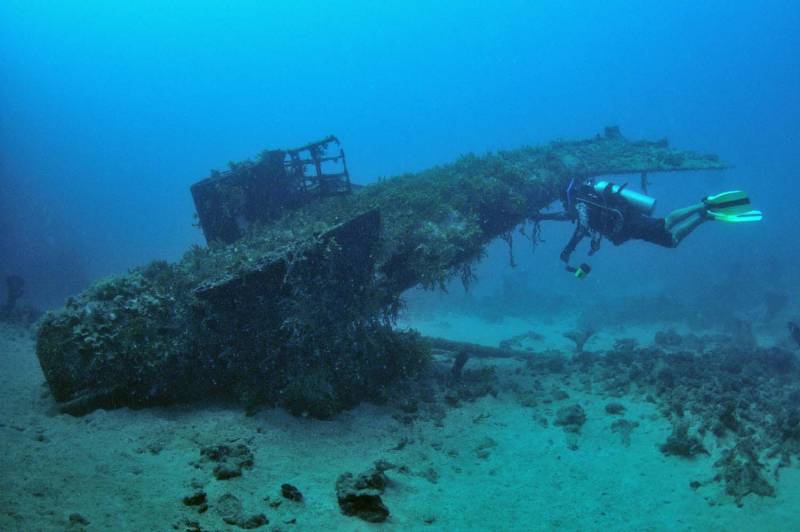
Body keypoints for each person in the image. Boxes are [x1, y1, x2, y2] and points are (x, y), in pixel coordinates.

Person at [534, 178, 762, 277]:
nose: (566, 205)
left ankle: (704, 212)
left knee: (670, 236)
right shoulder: (585, 200)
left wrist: (569, 248)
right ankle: (702, 209)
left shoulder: (582, 204)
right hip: (629, 221)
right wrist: (543, 218)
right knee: (665, 224)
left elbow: (582, 226)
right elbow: (568, 217)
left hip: (630, 225)